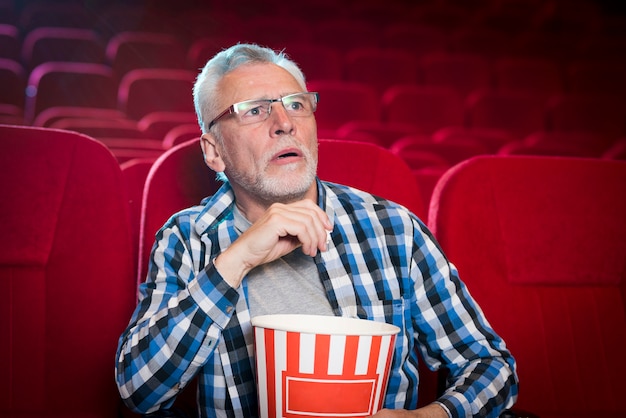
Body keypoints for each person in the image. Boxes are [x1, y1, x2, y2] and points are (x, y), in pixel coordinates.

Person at [116, 43, 518, 418]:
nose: (284, 123)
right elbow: (140, 390)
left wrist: (433, 416)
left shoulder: (394, 228)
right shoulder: (186, 238)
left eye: (296, 104)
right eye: (254, 110)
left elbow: (489, 365)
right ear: (214, 152)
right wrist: (235, 262)